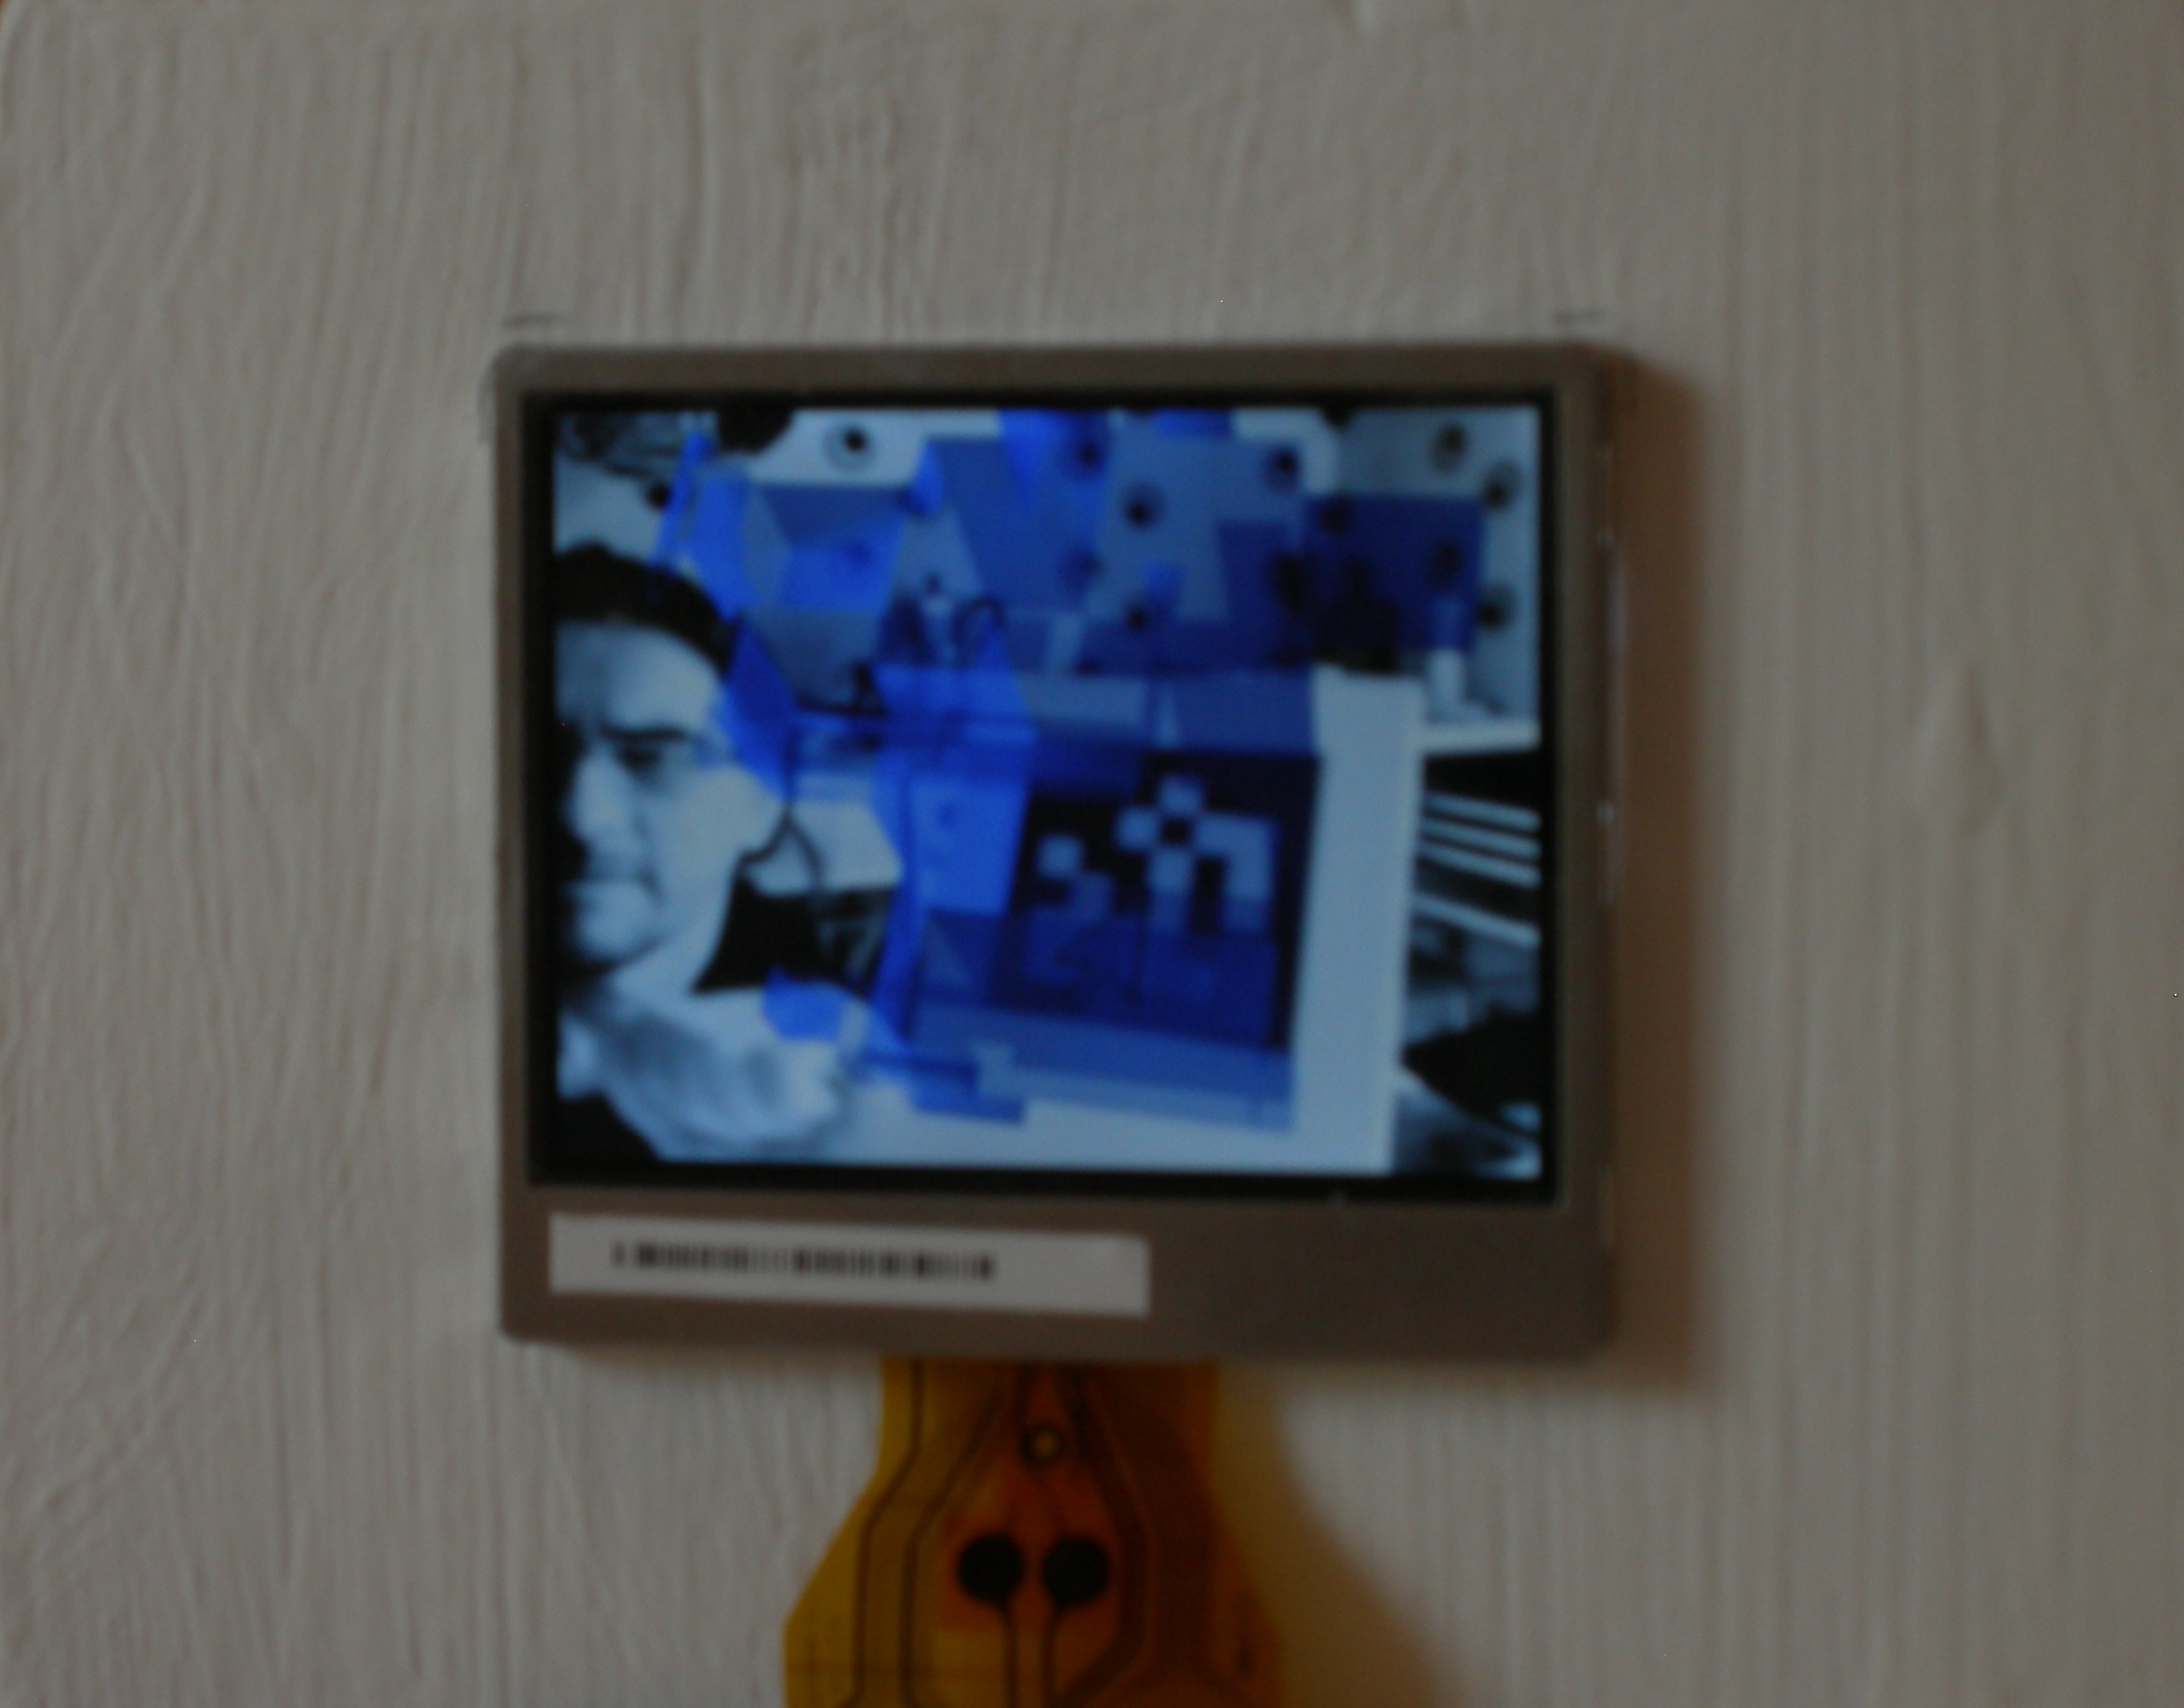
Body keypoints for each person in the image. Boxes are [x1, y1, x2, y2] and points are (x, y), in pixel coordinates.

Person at [550, 545, 849, 1164]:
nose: (582, 815)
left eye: (653, 757)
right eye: (538, 755)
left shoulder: (832, 1088)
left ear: (762, 801)